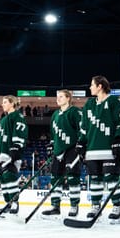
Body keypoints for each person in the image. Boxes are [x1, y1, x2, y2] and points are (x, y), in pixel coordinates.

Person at [76, 76, 120, 221]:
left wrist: (119, 138)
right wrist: (81, 142)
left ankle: (117, 205)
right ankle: (95, 205)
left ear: (100, 86)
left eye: (92, 85)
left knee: (111, 178)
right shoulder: (89, 104)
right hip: (92, 150)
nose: (90, 88)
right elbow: (84, 127)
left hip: (109, 149)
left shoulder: (114, 101)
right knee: (95, 179)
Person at [43, 89, 82, 217]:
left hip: (72, 148)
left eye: (61, 96)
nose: (58, 99)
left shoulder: (75, 112)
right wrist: (51, 144)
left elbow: (81, 130)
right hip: (58, 150)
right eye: (57, 96)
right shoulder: (55, 115)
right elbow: (53, 133)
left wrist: (80, 145)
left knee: (72, 177)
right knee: (55, 178)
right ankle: (55, 206)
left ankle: (74, 205)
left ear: (68, 98)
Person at [0, 95, 28, 214]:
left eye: (5, 102)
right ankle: (8, 203)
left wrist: (16, 148)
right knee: (3, 179)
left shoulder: (17, 116)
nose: (2, 104)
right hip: (2, 152)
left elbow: (20, 132)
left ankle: (15, 202)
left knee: (10, 175)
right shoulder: (4, 119)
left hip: (11, 152)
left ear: (12, 103)